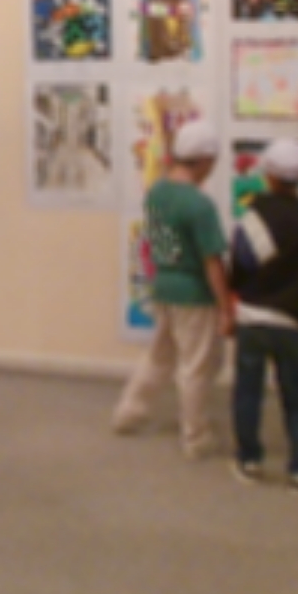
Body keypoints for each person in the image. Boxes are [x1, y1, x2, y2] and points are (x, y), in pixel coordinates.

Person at [112, 120, 235, 458]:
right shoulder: (199, 205)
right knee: (196, 367)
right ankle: (195, 436)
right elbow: (212, 261)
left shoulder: (157, 193)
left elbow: (161, 243)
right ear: (205, 160)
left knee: (158, 357)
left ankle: (129, 413)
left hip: (164, 285)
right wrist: (225, 307)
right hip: (194, 294)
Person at [228, 138, 298, 491]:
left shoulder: (253, 216)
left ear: (268, 176)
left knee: (247, 392)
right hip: (291, 321)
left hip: (252, 317)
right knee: (297, 397)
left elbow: (239, 265)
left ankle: (249, 460)